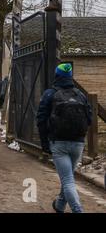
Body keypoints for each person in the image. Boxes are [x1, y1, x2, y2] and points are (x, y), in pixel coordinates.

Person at [36, 63, 92, 213]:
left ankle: (77, 210)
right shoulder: (80, 94)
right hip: (78, 144)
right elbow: (90, 118)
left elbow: (40, 120)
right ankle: (60, 204)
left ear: (57, 76)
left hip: (59, 143)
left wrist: (45, 145)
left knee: (67, 180)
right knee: (68, 177)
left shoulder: (50, 94)